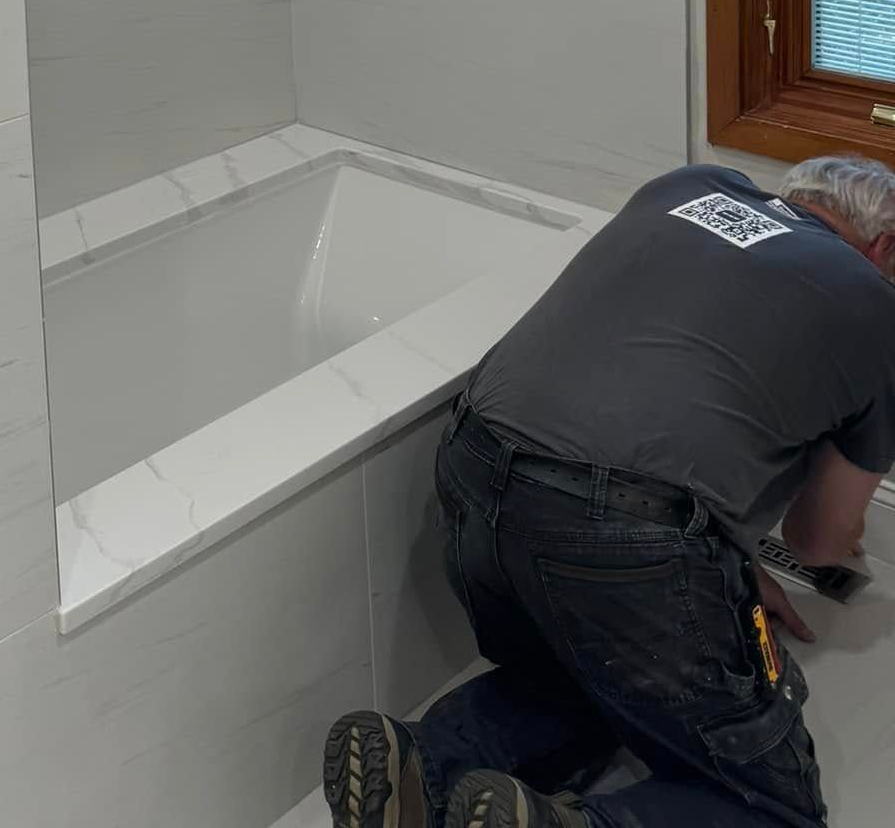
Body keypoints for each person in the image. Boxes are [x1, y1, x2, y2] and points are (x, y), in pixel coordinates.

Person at [322, 155, 895, 828]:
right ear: (885, 246)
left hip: (473, 476)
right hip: (620, 530)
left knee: (602, 674)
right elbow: (816, 540)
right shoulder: (872, 300)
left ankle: (422, 760)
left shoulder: (687, 187)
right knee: (773, 808)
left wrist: (721, 571)